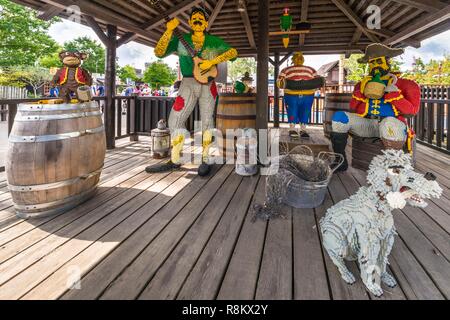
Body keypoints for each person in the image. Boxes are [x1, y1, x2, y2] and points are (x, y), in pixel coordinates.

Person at [145, 7, 238, 176]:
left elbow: (233, 53)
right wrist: (168, 31)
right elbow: (159, 52)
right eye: (194, 18)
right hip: (187, 82)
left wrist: (212, 62)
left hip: (208, 84)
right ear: (189, 22)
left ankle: (205, 157)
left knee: (207, 121)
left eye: (200, 18)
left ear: (206, 23)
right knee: (175, 120)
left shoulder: (214, 41)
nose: (197, 21)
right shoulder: (182, 40)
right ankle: (175, 158)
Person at [330, 43, 421, 172]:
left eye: (379, 61)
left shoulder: (406, 84)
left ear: (388, 62)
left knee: (388, 123)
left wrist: (394, 95)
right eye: (371, 63)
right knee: (339, 117)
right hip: (368, 124)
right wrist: (360, 93)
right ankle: (340, 160)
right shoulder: (361, 85)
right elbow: (353, 109)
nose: (375, 66)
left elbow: (412, 111)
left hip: (394, 127)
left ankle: (394, 166)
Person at [277, 51, 324, 138]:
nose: (299, 59)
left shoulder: (286, 70)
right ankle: (295, 128)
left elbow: (279, 83)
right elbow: (318, 82)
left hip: (298, 95)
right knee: (296, 111)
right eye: (297, 58)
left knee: (301, 111)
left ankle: (300, 129)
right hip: (300, 95)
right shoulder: (311, 69)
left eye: (300, 57)